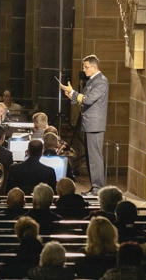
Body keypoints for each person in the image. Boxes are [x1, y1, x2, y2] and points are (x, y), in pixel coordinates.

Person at [60, 55, 109, 195]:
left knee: (95, 157)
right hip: (90, 124)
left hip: (95, 125)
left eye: (86, 67)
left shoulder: (101, 81)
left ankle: (98, 188)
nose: (84, 69)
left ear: (94, 67)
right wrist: (72, 96)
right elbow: (85, 99)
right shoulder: (93, 80)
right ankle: (95, 187)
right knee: (90, 157)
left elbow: (89, 99)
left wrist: (73, 92)